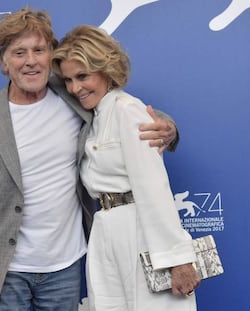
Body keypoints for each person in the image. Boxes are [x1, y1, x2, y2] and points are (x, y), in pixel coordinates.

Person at [0, 7, 178, 311]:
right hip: (5, 270)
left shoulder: (73, 94)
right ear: (3, 62)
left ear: (50, 55)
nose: (30, 61)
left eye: (39, 50)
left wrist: (169, 130)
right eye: (19, 52)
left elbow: (125, 110)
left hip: (65, 266)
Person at [51, 25, 200, 311]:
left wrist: (177, 259)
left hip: (141, 230)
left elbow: (153, 187)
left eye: (83, 76)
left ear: (106, 69)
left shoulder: (127, 110)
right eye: (68, 79)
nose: (74, 88)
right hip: (105, 231)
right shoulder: (93, 116)